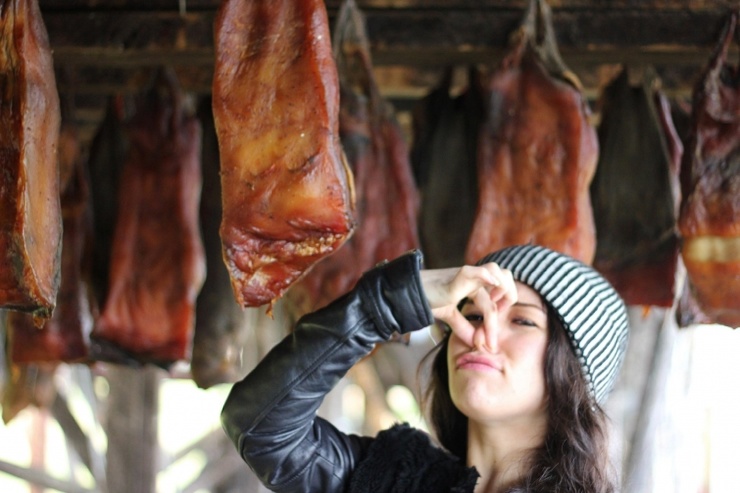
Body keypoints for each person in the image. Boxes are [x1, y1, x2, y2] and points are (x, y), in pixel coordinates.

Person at [220, 243, 630, 493]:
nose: (480, 335)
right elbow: (259, 428)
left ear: (575, 372)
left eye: (522, 321)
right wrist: (389, 304)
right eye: (471, 315)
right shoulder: (391, 474)